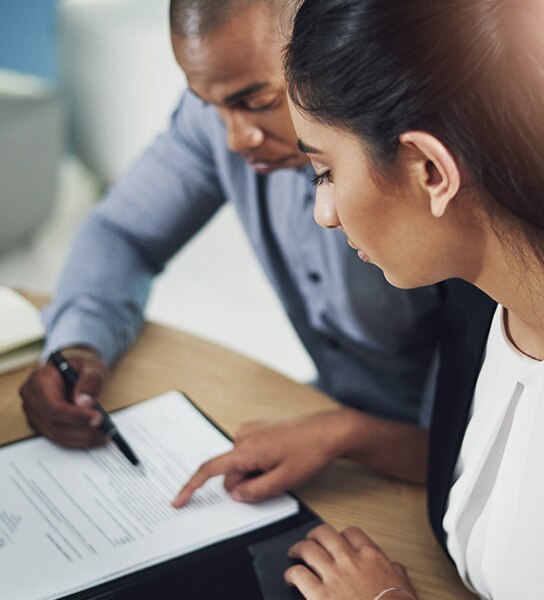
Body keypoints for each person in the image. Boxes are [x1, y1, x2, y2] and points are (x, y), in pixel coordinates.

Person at [19, 0, 443, 501]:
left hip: (438, 470)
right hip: (327, 421)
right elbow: (123, 231)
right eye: (209, 103)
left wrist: (348, 434)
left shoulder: (431, 172)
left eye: (256, 101)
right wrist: (77, 344)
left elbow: (483, 447)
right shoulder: (223, 122)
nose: (235, 139)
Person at [274, 0, 544, 599]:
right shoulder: (475, 302)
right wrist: (350, 434)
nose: (324, 215)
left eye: (324, 172)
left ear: (430, 170)